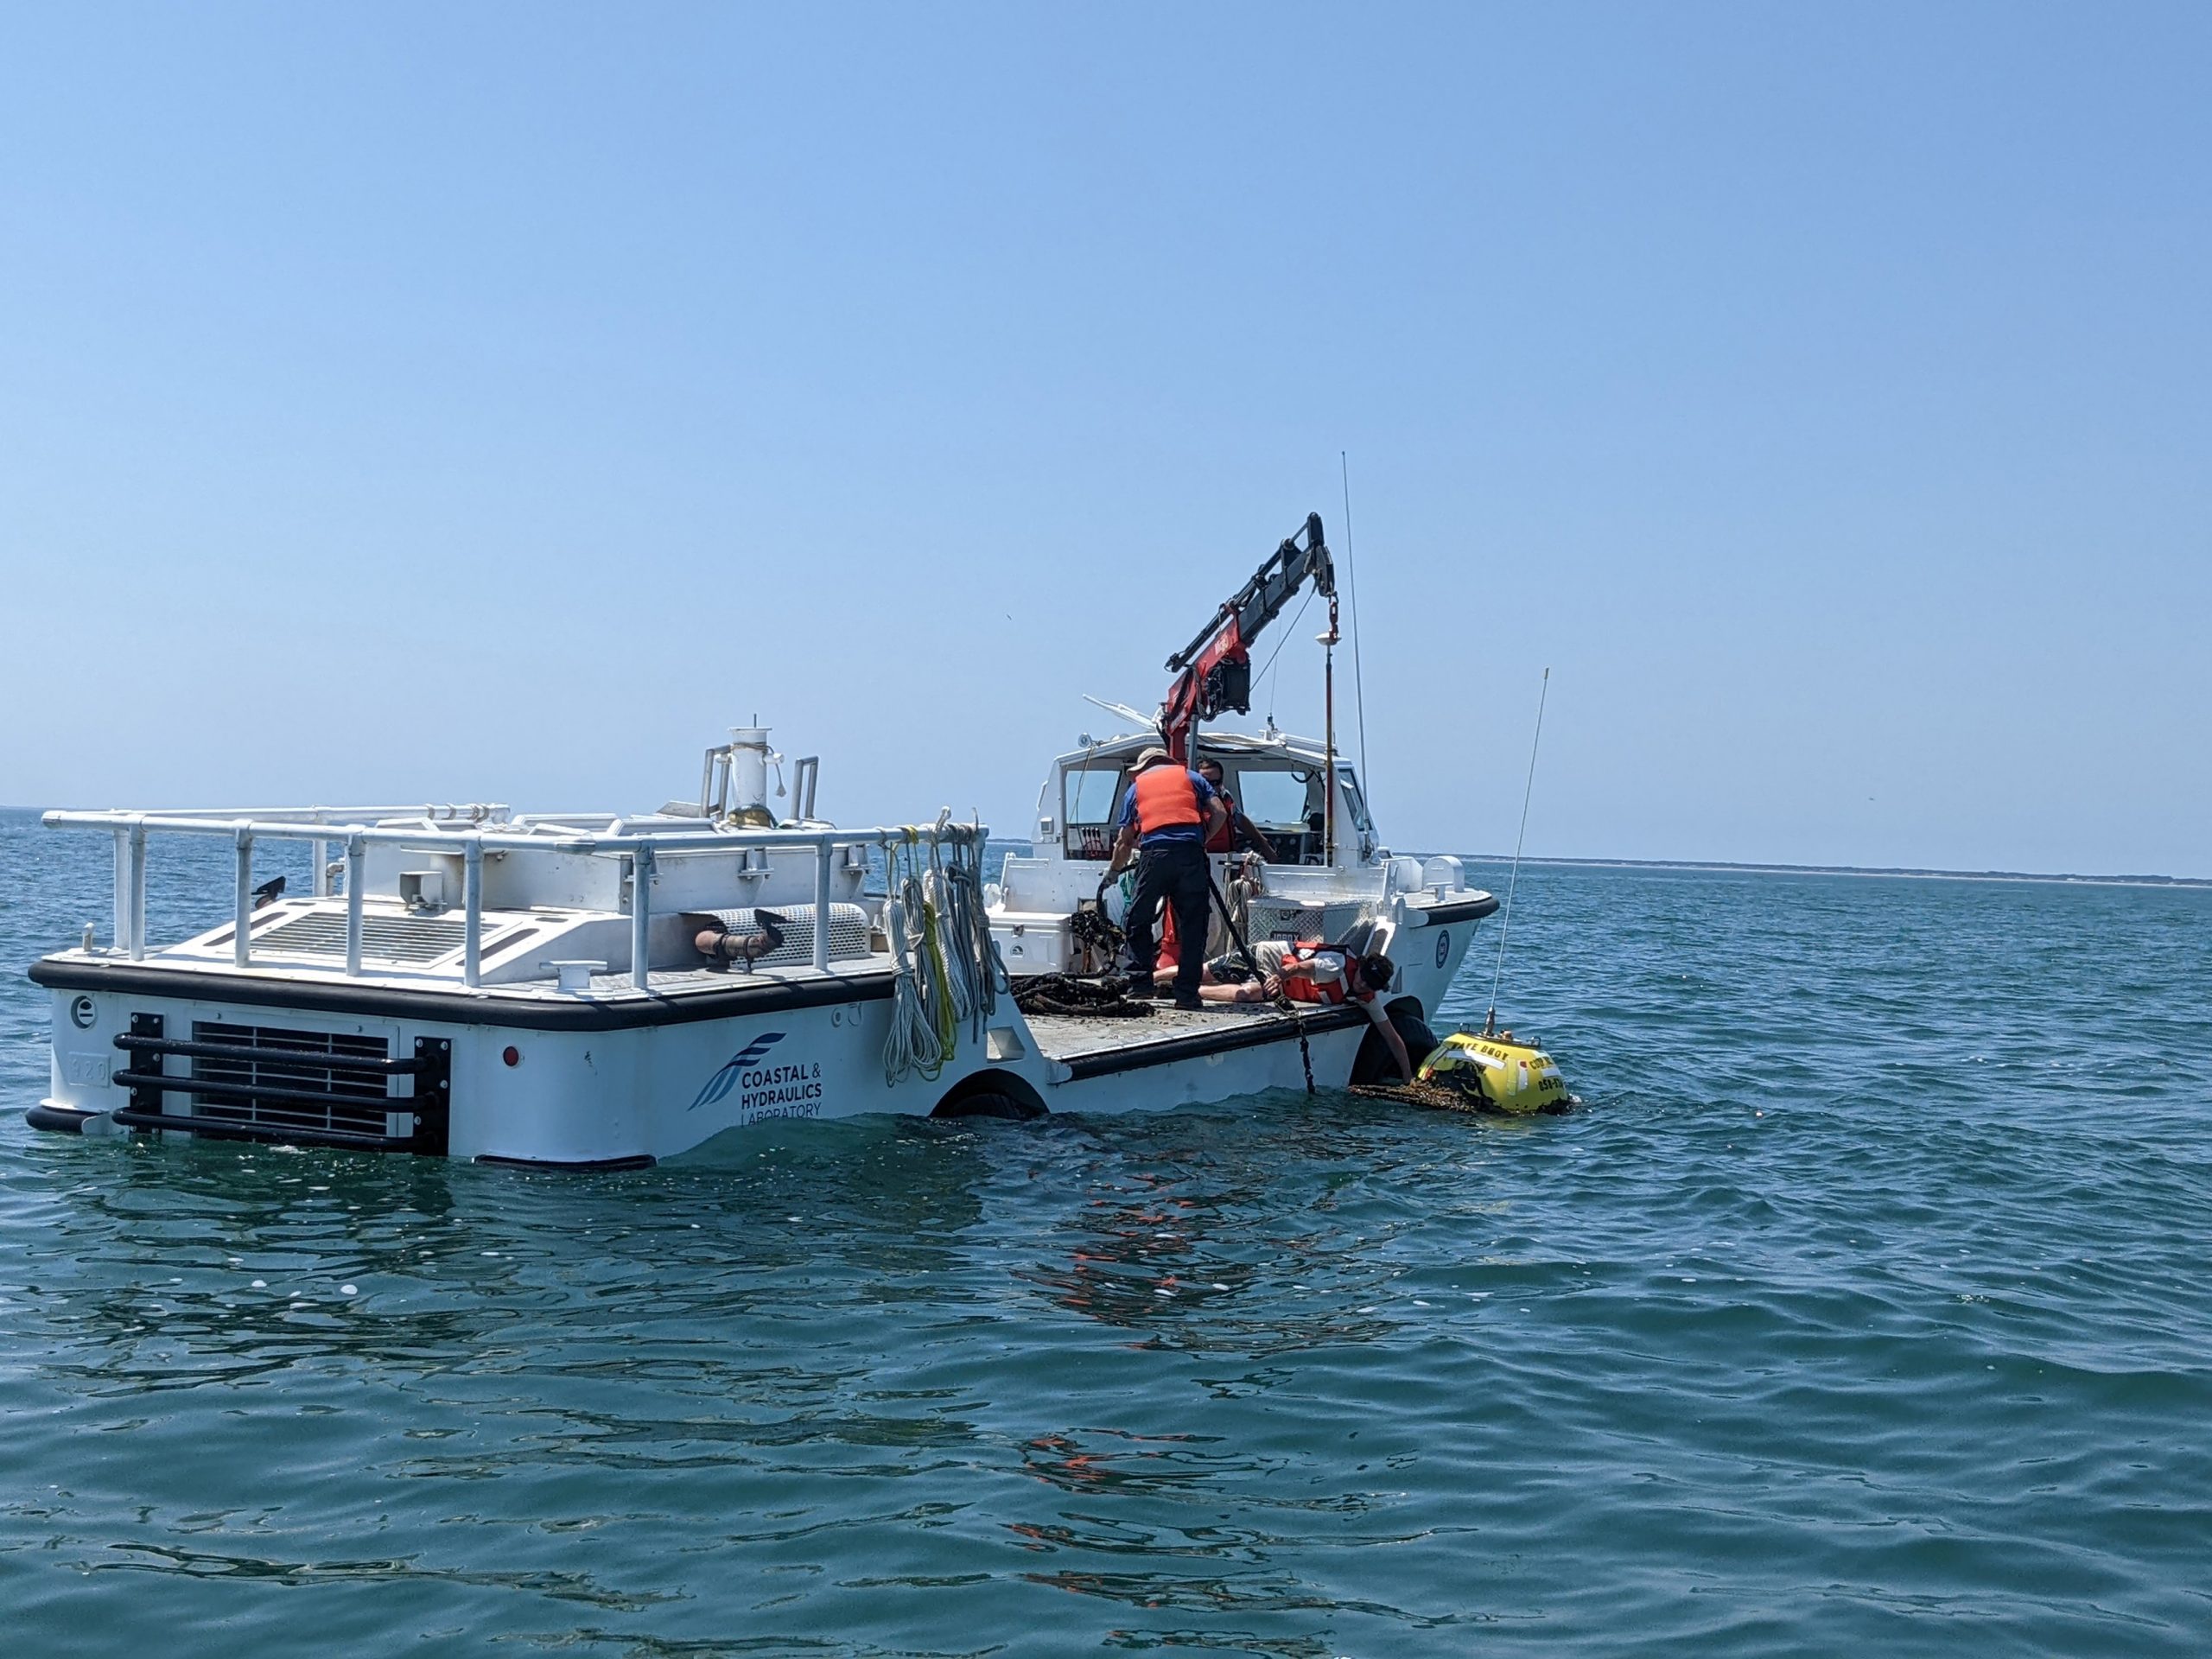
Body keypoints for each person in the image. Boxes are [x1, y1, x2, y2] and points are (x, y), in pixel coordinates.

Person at [1103, 747, 1229, 1008]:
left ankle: (1140, 986)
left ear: (1144, 768)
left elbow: (1125, 841)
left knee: (1138, 919)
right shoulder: (1192, 777)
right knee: (1194, 924)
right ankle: (1187, 995)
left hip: (1154, 856)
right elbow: (1220, 813)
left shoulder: (1136, 788)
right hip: (1191, 857)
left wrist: (1114, 871)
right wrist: (1202, 840)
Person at [1198, 939, 1413, 1080]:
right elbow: (1297, 968)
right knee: (1202, 972)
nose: (1362, 985)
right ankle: (1177, 980)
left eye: (1370, 985)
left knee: (1246, 994)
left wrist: (1407, 1077)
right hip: (1270, 958)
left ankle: (1194, 992)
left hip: (1281, 984)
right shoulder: (1335, 967)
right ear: (1360, 968)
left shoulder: (1367, 998)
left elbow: (1392, 1037)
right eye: (1363, 978)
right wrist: (1278, 977)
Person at [1195, 757, 1279, 861]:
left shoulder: (1226, 797)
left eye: (1215, 783)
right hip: (1203, 859)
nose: (1210, 788)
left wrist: (1264, 845)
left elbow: (1240, 820)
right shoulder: (1192, 804)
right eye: (1205, 783)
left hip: (1227, 858)